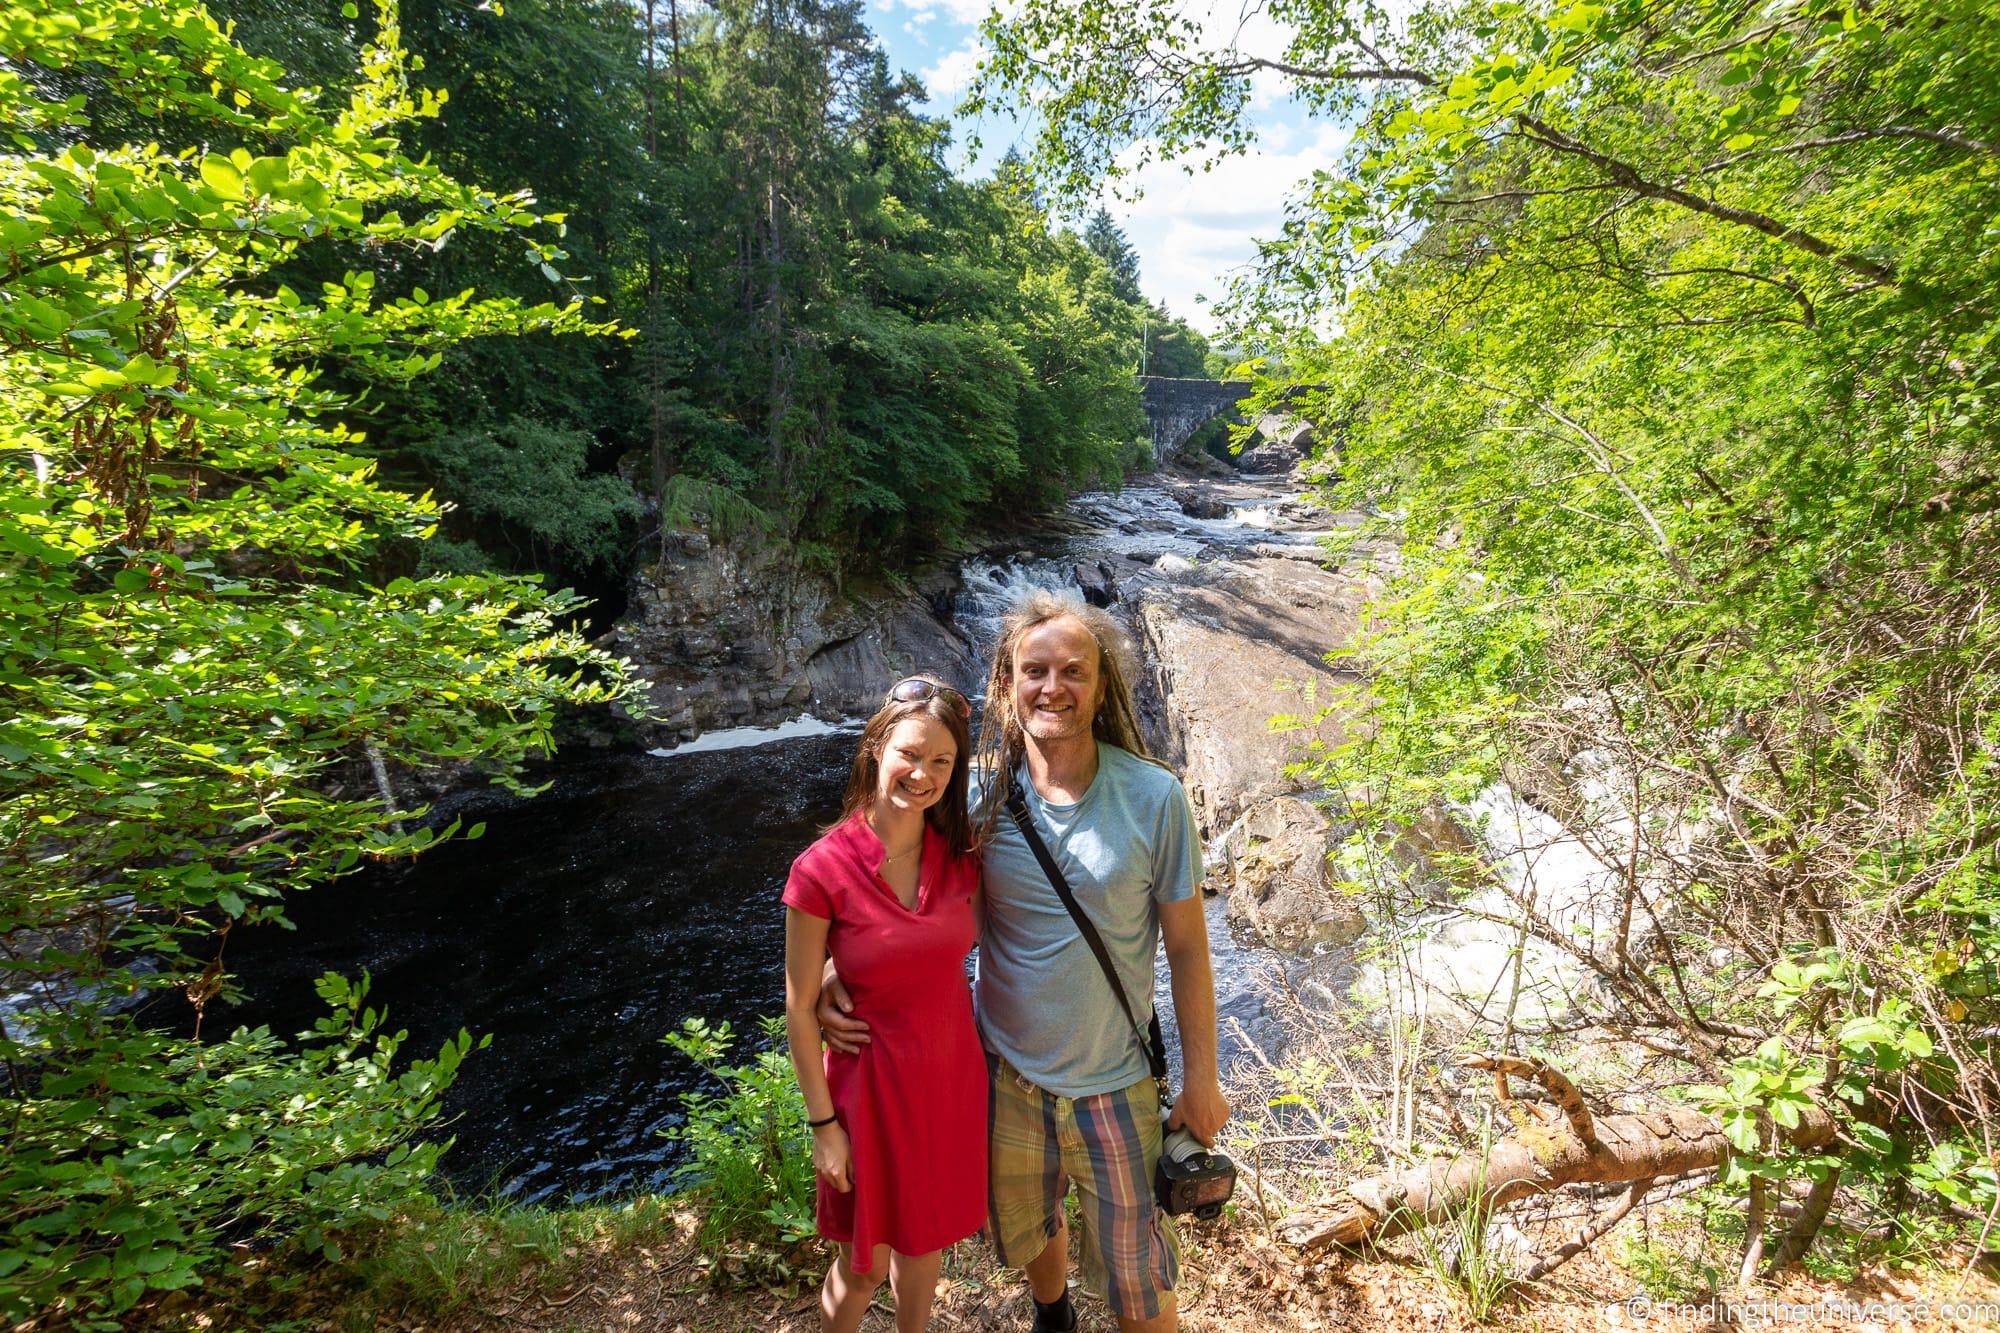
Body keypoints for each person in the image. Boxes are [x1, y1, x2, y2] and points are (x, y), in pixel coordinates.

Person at [823, 593, 1229, 1333]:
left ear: (1101, 685)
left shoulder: (1154, 797)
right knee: (1029, 1228)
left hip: (1117, 1083)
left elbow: (1189, 948)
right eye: (1034, 670)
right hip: (1004, 1074)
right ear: (1008, 684)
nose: (1054, 687)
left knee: (1141, 1283)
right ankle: (1054, 1314)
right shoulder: (971, 794)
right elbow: (892, 892)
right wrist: (828, 978)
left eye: (1073, 670)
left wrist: (1202, 1077)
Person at [782, 676, 986, 1333]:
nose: (921, 773)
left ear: (955, 772)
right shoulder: (821, 868)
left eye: (940, 761)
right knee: (864, 1262)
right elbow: (799, 1003)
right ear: (876, 747)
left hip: (948, 1079)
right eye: (909, 753)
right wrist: (823, 1126)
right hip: (866, 1089)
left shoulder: (963, 856)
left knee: (924, 1240)